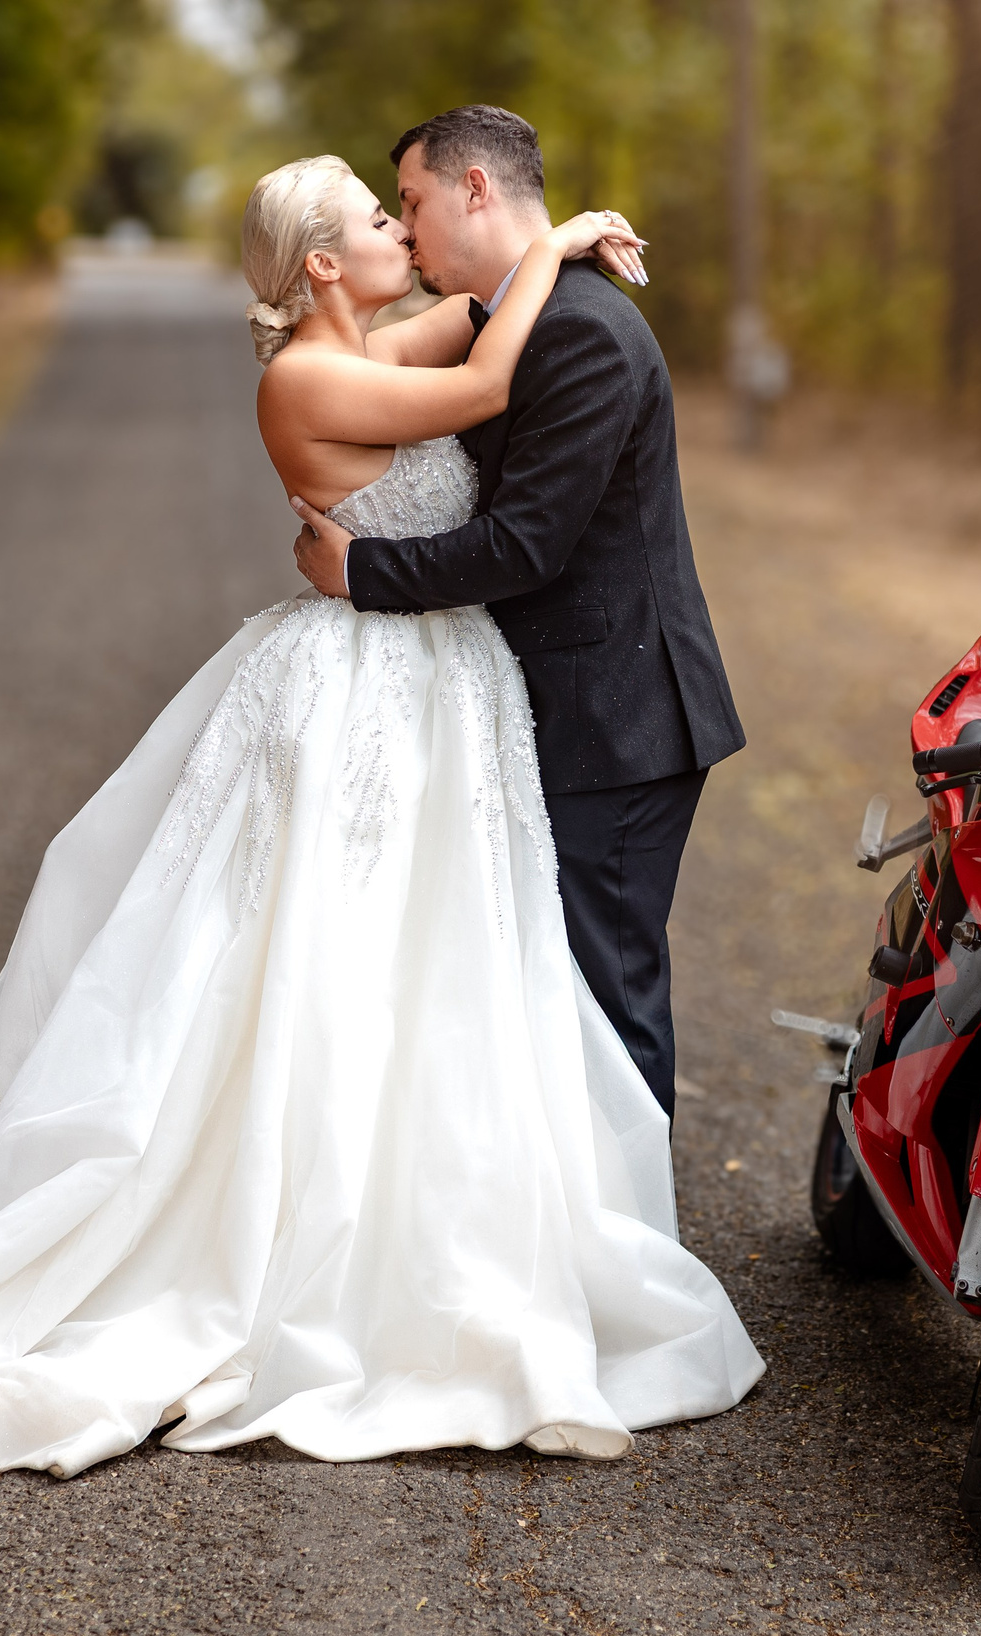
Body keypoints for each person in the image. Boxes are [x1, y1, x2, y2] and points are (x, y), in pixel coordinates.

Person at [0, 140, 761, 1485]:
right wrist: (552, 246)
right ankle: (335, 1232)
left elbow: (467, 333)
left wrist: (549, 245)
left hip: (450, 685)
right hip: (369, 673)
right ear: (321, 262)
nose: (399, 228)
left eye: (408, 202)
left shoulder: (388, 336)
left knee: (451, 962)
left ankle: (519, 1222)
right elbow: (480, 376)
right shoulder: (308, 372)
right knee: (314, 957)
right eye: (378, 214)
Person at [290, 106, 748, 1124]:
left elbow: (524, 545)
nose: (405, 230)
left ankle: (635, 1254)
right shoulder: (519, 313)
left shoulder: (578, 332)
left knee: (605, 994)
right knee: (551, 988)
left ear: (476, 189)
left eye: (411, 201)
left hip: (619, 717)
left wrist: (358, 570)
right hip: (560, 705)